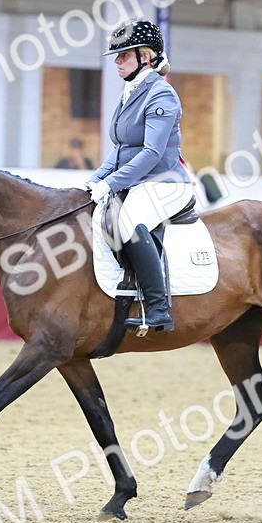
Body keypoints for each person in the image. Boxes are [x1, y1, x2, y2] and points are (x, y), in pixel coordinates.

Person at [83, 19, 194, 334]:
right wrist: (94, 181)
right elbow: (119, 150)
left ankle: (159, 308)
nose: (117, 62)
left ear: (145, 57)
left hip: (166, 182)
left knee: (128, 222)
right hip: (138, 180)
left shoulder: (162, 95)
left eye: (123, 55)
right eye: (116, 56)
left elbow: (152, 153)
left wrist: (111, 184)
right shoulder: (129, 92)